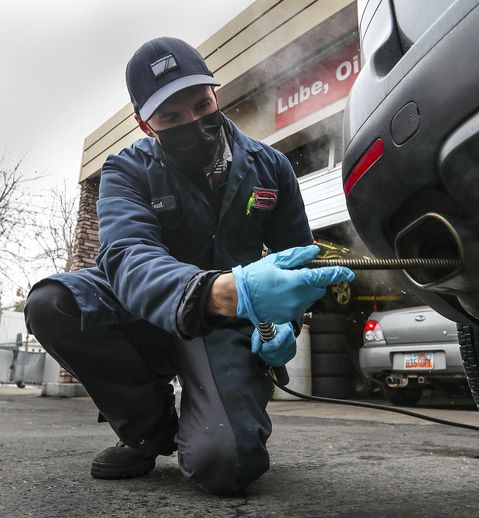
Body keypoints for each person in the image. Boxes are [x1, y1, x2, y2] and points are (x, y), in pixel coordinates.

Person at [24, 37, 354, 495]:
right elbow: (128, 258)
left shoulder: (271, 167)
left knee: (226, 464)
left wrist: (286, 323)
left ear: (215, 94)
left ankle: (210, 422)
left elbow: (296, 260)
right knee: (52, 304)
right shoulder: (127, 170)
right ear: (145, 124)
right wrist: (221, 289)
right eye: (172, 118)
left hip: (228, 327)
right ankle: (149, 428)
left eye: (202, 105)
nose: (194, 123)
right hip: (149, 313)